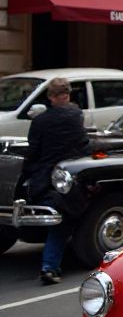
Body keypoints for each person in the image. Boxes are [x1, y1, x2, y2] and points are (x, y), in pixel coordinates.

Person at [23, 78, 91, 284]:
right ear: (67, 94)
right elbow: (83, 144)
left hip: (45, 179)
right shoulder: (76, 115)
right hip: (69, 177)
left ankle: (50, 266)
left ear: (51, 97)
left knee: (58, 220)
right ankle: (50, 266)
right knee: (62, 221)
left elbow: (33, 152)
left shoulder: (40, 121)